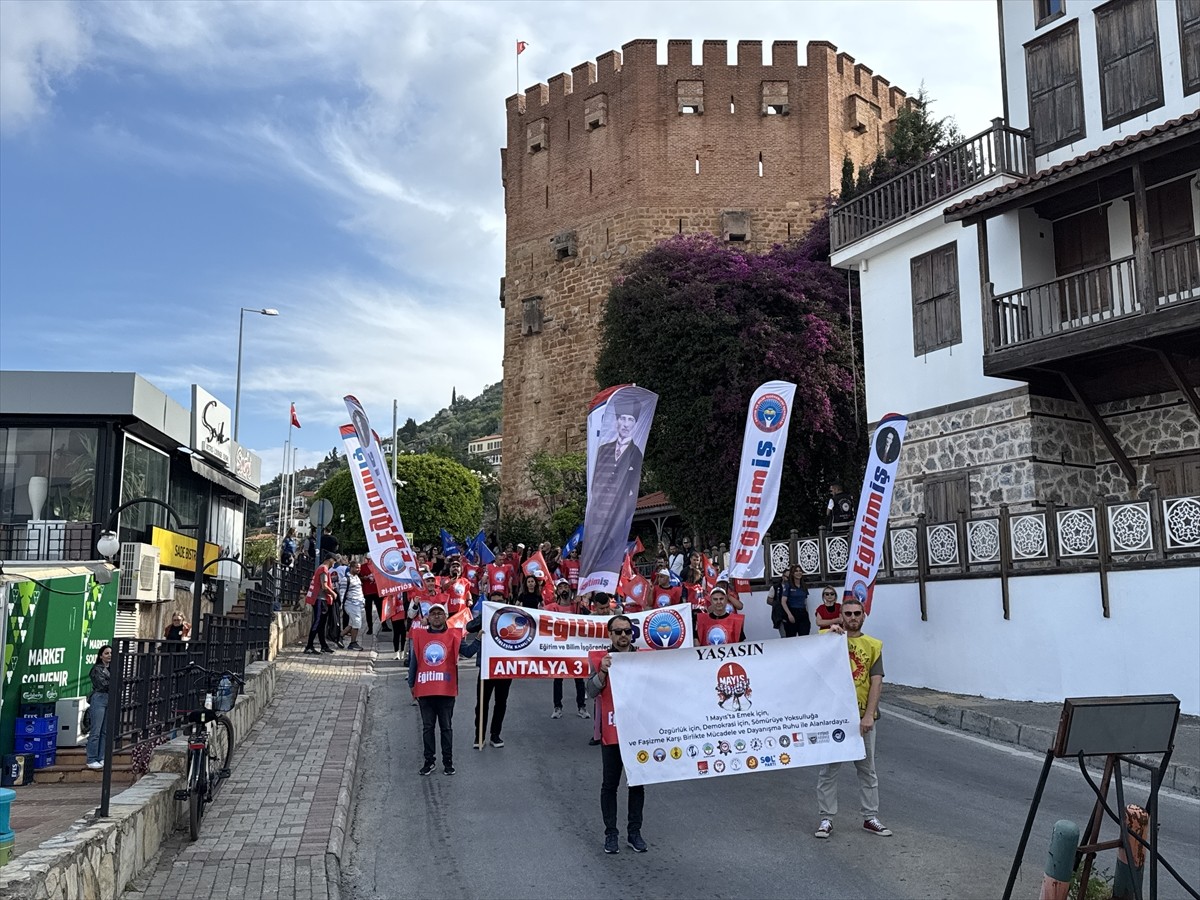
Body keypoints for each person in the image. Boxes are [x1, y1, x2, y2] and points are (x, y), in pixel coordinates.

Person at [814, 597, 891, 839]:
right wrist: (828, 634)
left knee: (867, 770)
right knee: (829, 770)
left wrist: (869, 715)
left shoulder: (873, 646)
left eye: (857, 613)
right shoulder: (829, 640)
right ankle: (826, 818)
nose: (853, 618)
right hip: (834, 718)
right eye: (848, 614)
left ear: (864, 615)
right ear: (841, 616)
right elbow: (809, 660)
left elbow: (876, 682)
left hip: (862, 719)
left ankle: (870, 817)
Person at [587, 615, 647, 854]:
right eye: (618, 632)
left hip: (638, 732)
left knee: (637, 784)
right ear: (609, 635)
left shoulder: (644, 658)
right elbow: (591, 691)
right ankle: (611, 834)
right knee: (610, 785)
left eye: (627, 631)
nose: (623, 636)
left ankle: (635, 833)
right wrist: (602, 672)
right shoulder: (601, 659)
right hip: (611, 733)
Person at [584, 393, 645, 582]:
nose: (626, 424)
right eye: (622, 419)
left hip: (619, 519)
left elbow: (632, 490)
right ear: (617, 422)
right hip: (599, 517)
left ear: (634, 425)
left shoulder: (636, 453)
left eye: (630, 420)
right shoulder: (603, 450)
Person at [408, 603, 471, 776]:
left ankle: (448, 762)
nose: (436, 616)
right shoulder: (420, 636)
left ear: (445, 617)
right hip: (425, 690)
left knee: (446, 727)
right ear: (428, 618)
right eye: (433, 613)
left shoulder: (454, 636)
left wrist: (480, 639)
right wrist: (411, 685)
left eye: (440, 613)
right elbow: (414, 662)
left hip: (446, 691)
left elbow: (470, 652)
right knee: (428, 728)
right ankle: (429, 761)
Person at [470, 590, 512, 749]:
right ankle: (479, 736)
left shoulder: (511, 616)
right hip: (487, 667)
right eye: (493, 601)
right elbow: (469, 626)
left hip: (505, 667)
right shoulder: (485, 616)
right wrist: (484, 616)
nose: (496, 603)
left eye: (499, 601)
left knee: (501, 702)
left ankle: (495, 735)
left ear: (504, 601)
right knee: (482, 703)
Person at [85, 645, 112, 769]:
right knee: (96, 730)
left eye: (111, 653)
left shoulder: (112, 668)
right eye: (106, 653)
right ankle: (91, 758)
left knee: (105, 731)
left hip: (109, 698)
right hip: (99, 698)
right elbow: (102, 684)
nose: (109, 655)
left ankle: (101, 757)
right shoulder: (97, 669)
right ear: (101, 655)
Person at [304, 556, 335, 654]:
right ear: (330, 559)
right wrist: (333, 593)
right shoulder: (323, 569)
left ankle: (323, 646)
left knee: (322, 624)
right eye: (334, 561)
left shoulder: (322, 568)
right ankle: (309, 646)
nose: (334, 564)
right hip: (319, 600)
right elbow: (324, 586)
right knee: (317, 622)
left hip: (322, 600)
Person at [775, 566, 811, 637]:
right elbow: (783, 601)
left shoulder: (803, 586)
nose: (798, 572)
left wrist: (807, 614)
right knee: (791, 637)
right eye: (796, 571)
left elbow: (805, 601)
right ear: (792, 574)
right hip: (792, 611)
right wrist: (789, 614)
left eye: (800, 571)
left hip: (803, 612)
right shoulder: (788, 585)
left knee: (805, 636)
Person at [340, 561, 366, 651]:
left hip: (358, 604)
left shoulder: (357, 578)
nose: (358, 569)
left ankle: (339, 636)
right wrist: (341, 605)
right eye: (356, 568)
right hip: (351, 604)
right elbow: (342, 593)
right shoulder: (346, 579)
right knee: (357, 623)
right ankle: (353, 643)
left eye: (359, 568)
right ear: (351, 567)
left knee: (352, 623)